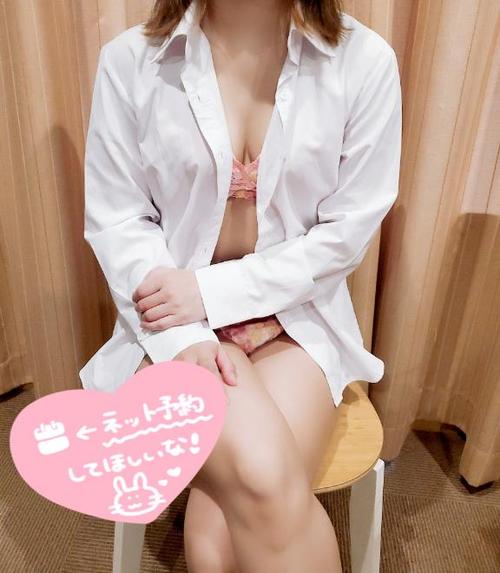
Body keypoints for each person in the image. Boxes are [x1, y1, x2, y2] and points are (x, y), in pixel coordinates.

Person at [80, 0, 402, 570]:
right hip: (172, 321)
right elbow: (119, 221)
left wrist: (211, 291)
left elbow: (345, 235)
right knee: (250, 496)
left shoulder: (363, 61)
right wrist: (184, 333)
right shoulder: (131, 61)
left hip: (294, 319)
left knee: (222, 534)